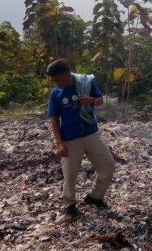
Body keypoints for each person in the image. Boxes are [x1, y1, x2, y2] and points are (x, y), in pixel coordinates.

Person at [46, 58, 115, 221]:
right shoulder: (56, 93)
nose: (56, 83)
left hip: (91, 133)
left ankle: (95, 197)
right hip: (70, 138)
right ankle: (69, 205)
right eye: (53, 80)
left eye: (57, 79)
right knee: (70, 175)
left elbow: (100, 100)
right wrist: (59, 143)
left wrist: (90, 101)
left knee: (108, 165)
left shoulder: (86, 83)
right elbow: (54, 118)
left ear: (68, 74)